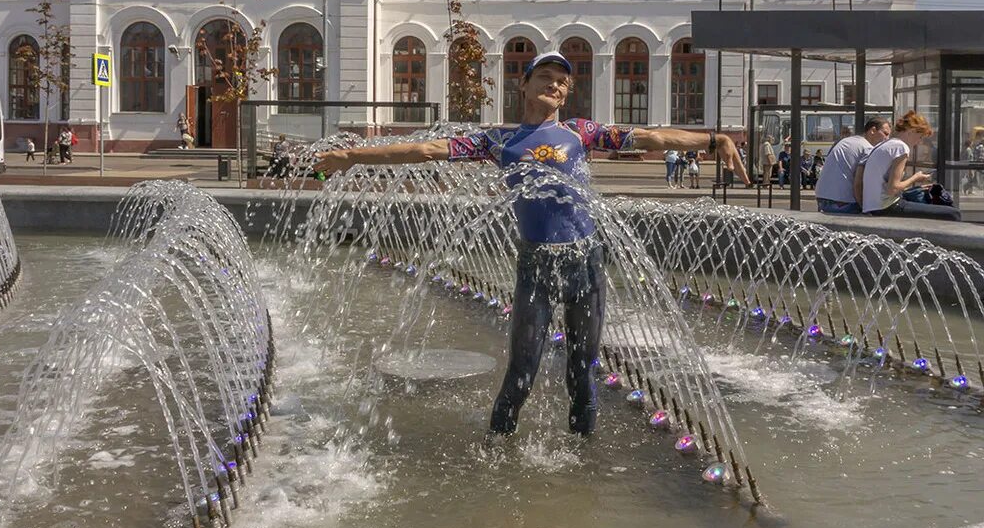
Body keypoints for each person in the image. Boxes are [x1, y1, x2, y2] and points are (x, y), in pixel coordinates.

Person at [314, 51, 749, 437]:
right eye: (545, 75)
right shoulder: (498, 141)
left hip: (586, 261)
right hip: (535, 265)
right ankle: (496, 453)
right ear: (523, 84)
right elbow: (427, 149)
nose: (555, 84)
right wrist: (352, 157)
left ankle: (583, 460)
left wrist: (715, 140)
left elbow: (651, 137)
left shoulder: (582, 133)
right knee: (523, 368)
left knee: (584, 370)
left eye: (562, 80)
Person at [860, 110, 960, 221]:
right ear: (911, 131)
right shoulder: (901, 148)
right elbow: (892, 189)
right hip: (886, 207)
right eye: (920, 136)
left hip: (873, 206)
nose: (919, 141)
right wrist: (915, 178)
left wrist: (915, 187)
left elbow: (888, 184)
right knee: (953, 214)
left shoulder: (887, 144)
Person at [815, 116, 891, 214]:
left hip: (822, 197)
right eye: (885, 134)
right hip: (843, 201)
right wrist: (864, 208)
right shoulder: (867, 149)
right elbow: (858, 183)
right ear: (872, 130)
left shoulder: (847, 141)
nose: (887, 139)